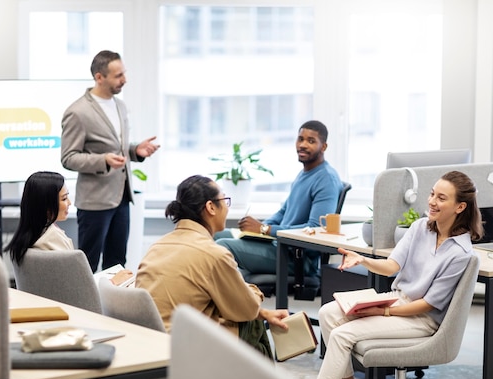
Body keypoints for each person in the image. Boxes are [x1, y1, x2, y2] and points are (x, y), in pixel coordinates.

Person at [311, 170, 484, 379]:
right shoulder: (420, 227)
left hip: (422, 319)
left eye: (442, 198)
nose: (432, 202)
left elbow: (427, 305)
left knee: (342, 335)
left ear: (460, 207)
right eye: (432, 194)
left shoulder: (460, 253)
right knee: (327, 312)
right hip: (398, 299)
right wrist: (363, 260)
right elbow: (392, 265)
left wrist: (384, 311)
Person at [134, 175, 289, 358]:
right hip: (188, 348)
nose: (227, 207)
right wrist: (254, 293)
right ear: (210, 207)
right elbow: (247, 309)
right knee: (251, 325)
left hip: (150, 343)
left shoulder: (156, 247)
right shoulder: (214, 254)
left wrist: (262, 313)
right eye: (225, 200)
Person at [61, 50, 160, 272]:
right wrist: (103, 160)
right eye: (118, 76)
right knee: (87, 265)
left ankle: (114, 307)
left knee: (117, 264)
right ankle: (85, 307)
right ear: (99, 77)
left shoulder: (120, 106)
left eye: (123, 73)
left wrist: (136, 151)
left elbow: (117, 148)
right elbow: (68, 158)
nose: (124, 79)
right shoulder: (78, 112)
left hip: (122, 198)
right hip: (95, 201)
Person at [215, 120, 343, 278]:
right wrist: (260, 228)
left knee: (223, 245)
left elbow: (315, 230)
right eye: (300, 139)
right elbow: (284, 212)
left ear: (323, 147)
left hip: (296, 258)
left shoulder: (326, 179)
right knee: (216, 234)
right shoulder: (305, 173)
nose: (303, 145)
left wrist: (264, 229)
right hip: (278, 246)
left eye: (311, 141)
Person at [5, 171, 133, 283]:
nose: (70, 203)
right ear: (47, 206)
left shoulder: (25, 240)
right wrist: (112, 283)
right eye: (64, 198)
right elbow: (77, 289)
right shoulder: (52, 239)